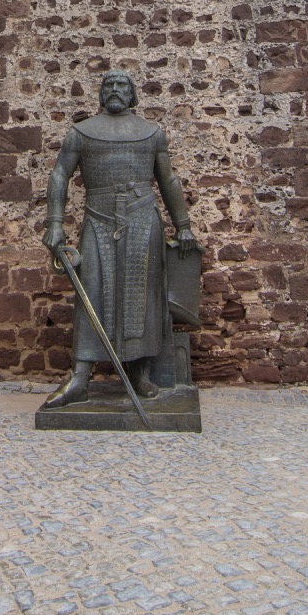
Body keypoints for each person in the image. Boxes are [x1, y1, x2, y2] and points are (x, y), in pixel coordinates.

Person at [41, 69, 198, 406]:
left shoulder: (151, 133)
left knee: (142, 297)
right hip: (98, 219)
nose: (115, 89)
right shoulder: (81, 133)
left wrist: (182, 224)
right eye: (109, 85)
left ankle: (140, 373)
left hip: (143, 218)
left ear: (132, 94)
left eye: (122, 85)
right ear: (101, 94)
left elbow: (167, 179)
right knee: (91, 293)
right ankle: (80, 377)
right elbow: (59, 175)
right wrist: (54, 222)